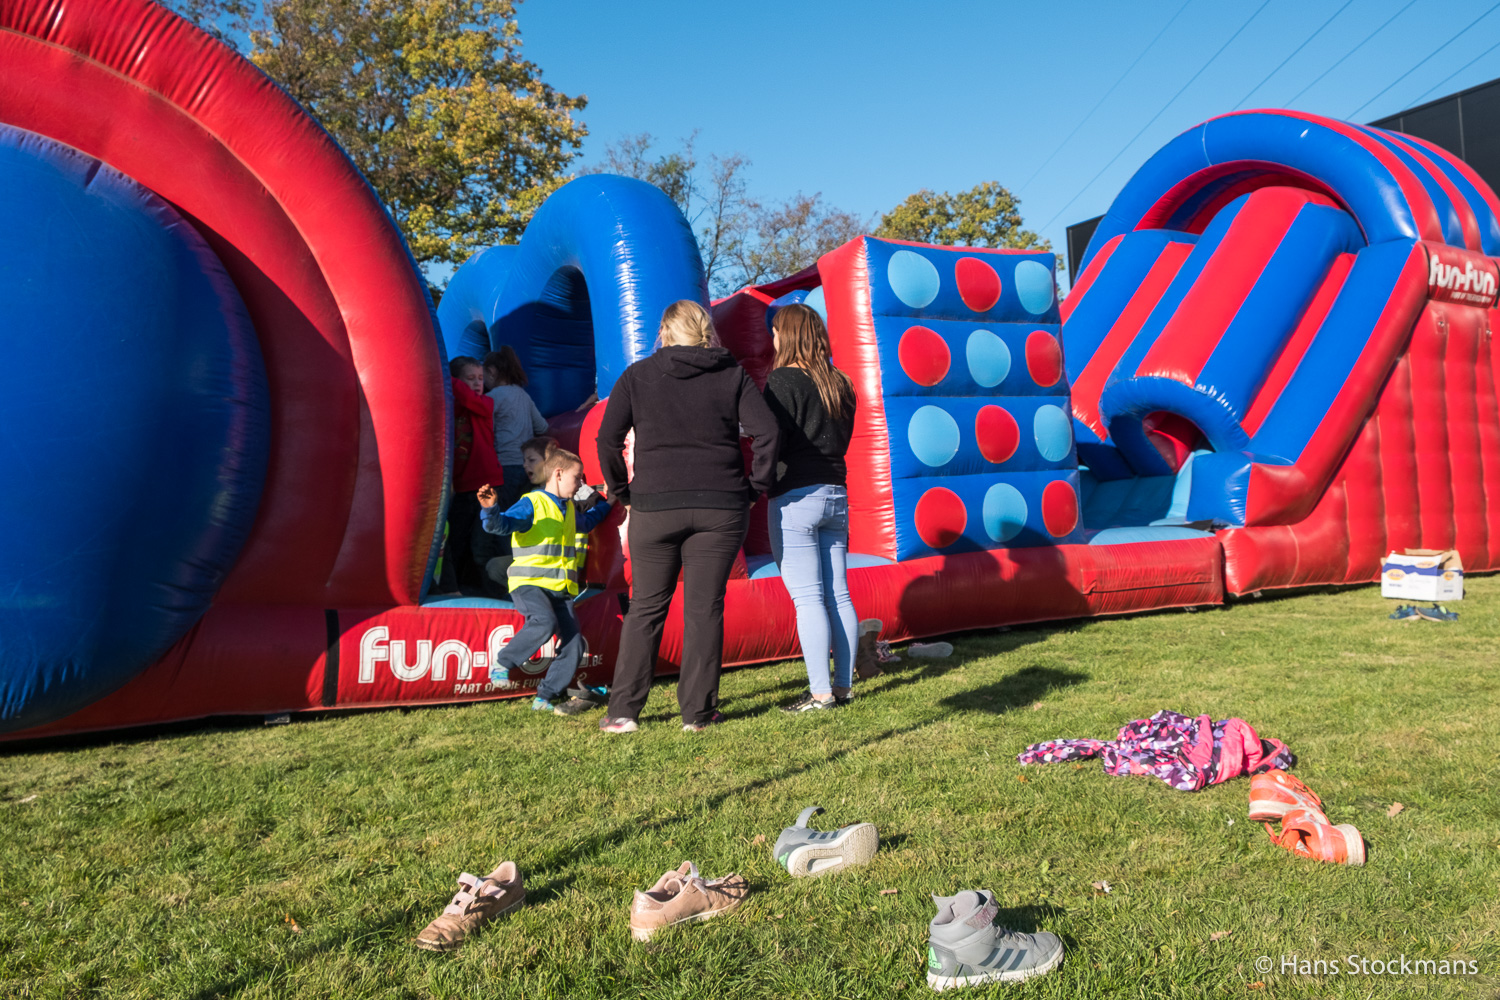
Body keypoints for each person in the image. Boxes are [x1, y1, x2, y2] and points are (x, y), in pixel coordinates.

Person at [596, 300, 779, 734]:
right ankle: (697, 715)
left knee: (645, 608)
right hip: (721, 505)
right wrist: (755, 486)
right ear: (705, 331)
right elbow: (768, 430)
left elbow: (608, 439)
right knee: (703, 609)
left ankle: (623, 712)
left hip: (654, 505)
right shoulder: (731, 373)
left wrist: (623, 492)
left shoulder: (638, 376)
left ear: (663, 332)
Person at [761, 304, 859, 712]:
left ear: (787, 336)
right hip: (836, 494)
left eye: (777, 332)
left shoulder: (781, 381)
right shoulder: (842, 382)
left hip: (795, 498)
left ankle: (819, 694)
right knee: (838, 594)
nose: (773, 339)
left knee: (808, 598)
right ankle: (843, 687)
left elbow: (771, 440)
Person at [477, 448, 612, 715]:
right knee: (544, 622)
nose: (580, 484)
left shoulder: (569, 509)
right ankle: (502, 664)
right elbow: (500, 526)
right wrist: (491, 510)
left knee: (574, 645)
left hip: (560, 590)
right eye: (577, 478)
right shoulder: (533, 502)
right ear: (559, 474)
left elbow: (589, 521)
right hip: (530, 584)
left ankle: (545, 697)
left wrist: (610, 502)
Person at [480, 346, 549, 595]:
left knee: (502, 522)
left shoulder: (494, 397)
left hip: (503, 467)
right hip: (525, 467)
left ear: (492, 371)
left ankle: (503, 579)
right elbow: (541, 426)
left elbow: (483, 421)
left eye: (483, 376)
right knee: (521, 518)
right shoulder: (523, 395)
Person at [441, 356, 504, 593]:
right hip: (462, 487)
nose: (478, 383)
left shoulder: (485, 403)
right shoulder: (452, 408)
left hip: (486, 485)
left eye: (480, 378)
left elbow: (467, 397)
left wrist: (445, 375)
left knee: (483, 545)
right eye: (471, 378)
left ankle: (495, 593)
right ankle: (456, 588)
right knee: (455, 540)